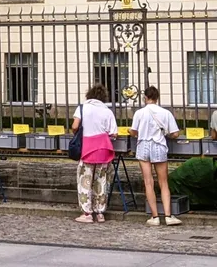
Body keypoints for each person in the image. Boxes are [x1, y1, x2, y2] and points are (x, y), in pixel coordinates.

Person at [129, 86, 182, 226]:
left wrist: (134, 132)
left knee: (148, 182)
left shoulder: (139, 113)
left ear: (145, 98)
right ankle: (168, 215)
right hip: (159, 145)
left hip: (144, 146)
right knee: (163, 183)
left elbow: (133, 132)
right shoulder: (165, 113)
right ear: (157, 98)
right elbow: (175, 133)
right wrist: (168, 134)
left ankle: (155, 217)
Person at [71, 85, 119, 223]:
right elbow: (114, 133)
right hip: (104, 148)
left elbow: (75, 126)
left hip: (87, 148)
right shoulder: (107, 111)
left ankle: (87, 213)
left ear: (89, 95)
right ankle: (100, 212)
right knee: (101, 181)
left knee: (85, 181)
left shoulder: (82, 108)